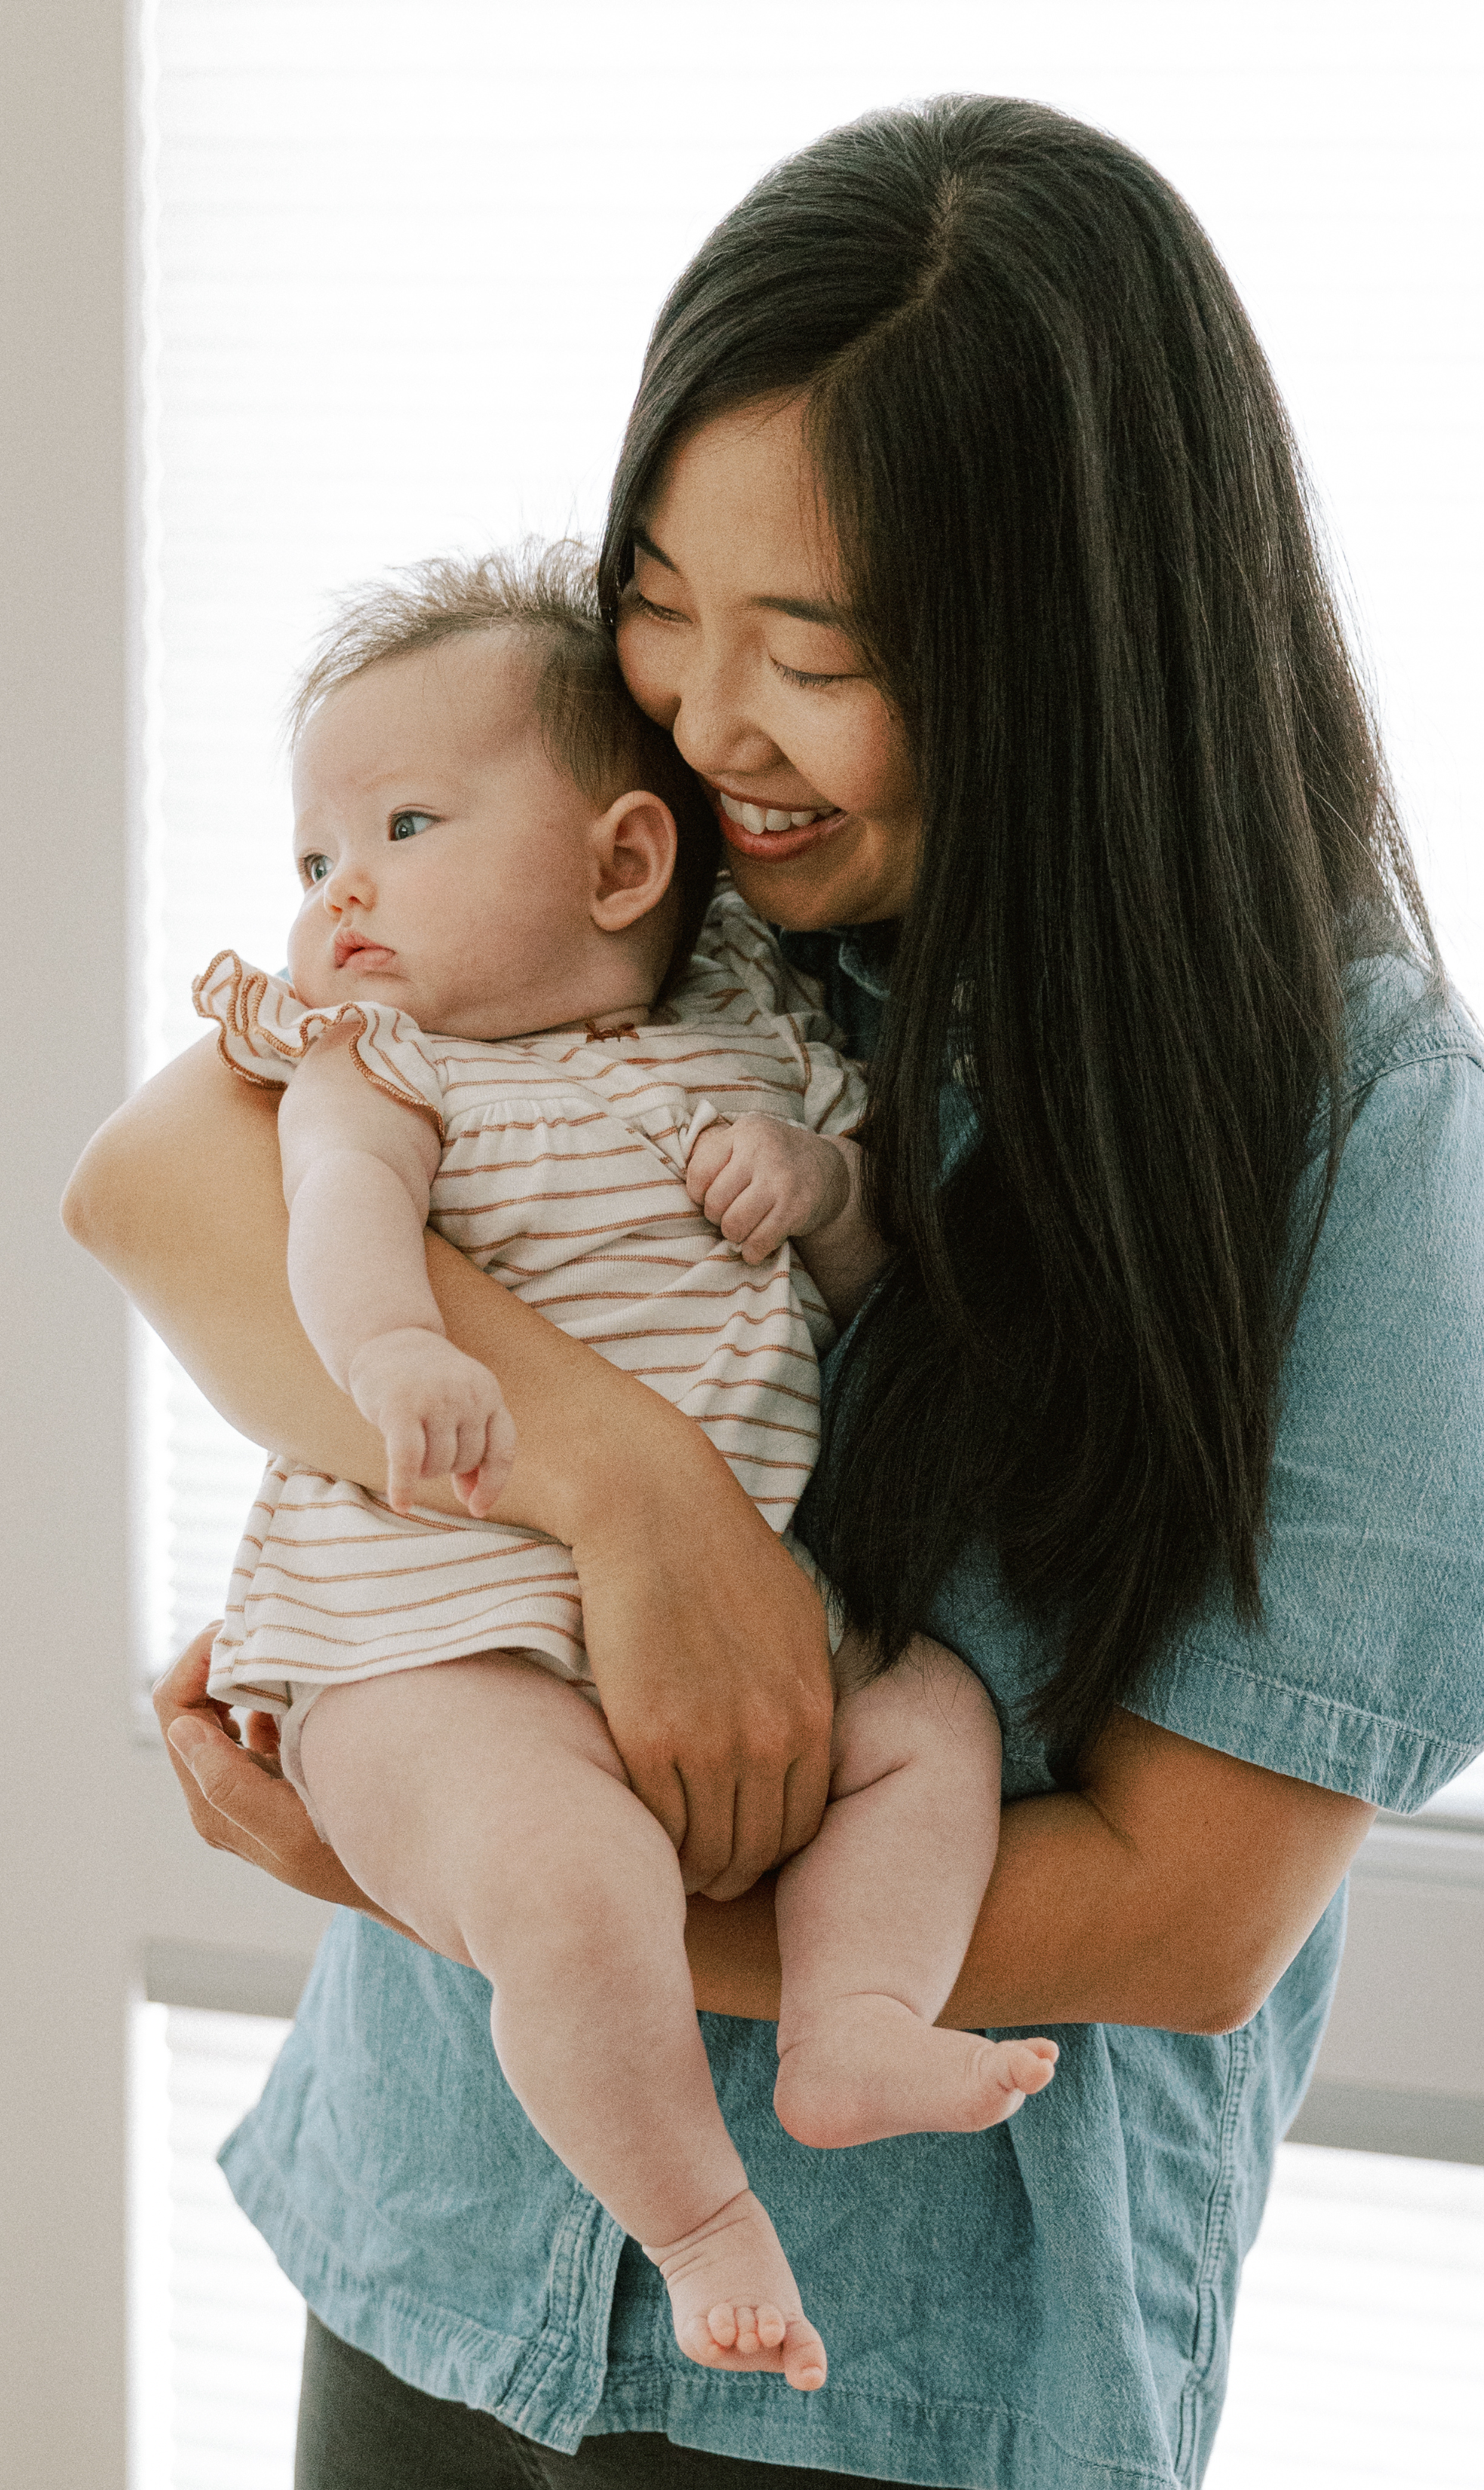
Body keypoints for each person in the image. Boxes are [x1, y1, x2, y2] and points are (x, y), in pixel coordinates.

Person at [64, 96, 1484, 2490]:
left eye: (816, 647)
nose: (692, 710)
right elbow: (166, 1174)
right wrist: (637, 1493)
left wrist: (486, 1894)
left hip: (900, 2384)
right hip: (441, 2243)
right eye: (659, 593)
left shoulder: (1355, 1119)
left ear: (1077, 636)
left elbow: (1185, 1919)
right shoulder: (643, 877)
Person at [189, 545, 1055, 2393]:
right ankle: (699, 2220)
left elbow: (876, 1275)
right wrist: (398, 1348)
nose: (340, 893)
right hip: (435, 1645)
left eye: (401, 828)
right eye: (313, 859)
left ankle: (851, 2016)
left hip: (740, 1614)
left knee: (930, 1729)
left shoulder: (755, 1043)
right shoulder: (383, 1060)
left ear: (620, 863)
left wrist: (819, 1196)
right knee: (566, 1880)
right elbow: (336, 1213)